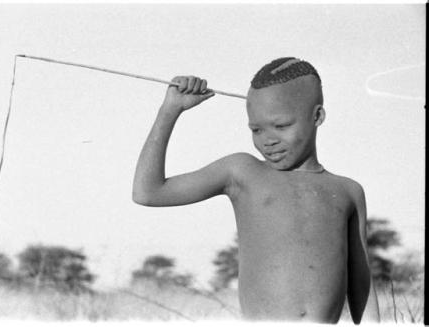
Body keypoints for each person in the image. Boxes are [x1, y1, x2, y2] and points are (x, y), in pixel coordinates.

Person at [132, 57, 380, 323]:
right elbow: (148, 192)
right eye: (256, 129)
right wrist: (170, 110)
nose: (268, 140)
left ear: (317, 116)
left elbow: (361, 281)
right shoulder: (243, 172)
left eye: (282, 126)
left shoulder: (348, 191)